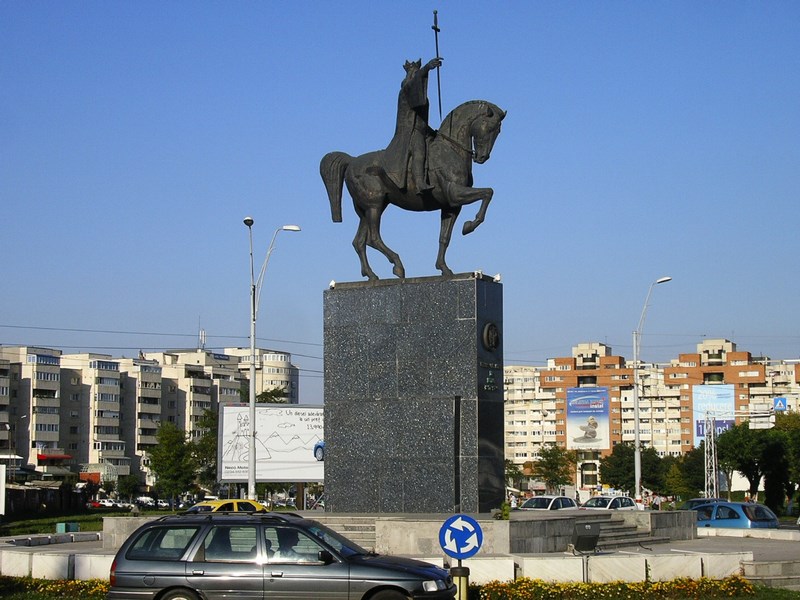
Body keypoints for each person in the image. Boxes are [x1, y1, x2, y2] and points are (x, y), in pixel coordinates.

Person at [383, 57, 442, 195]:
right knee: (419, 149)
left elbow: (421, 121)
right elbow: (412, 84)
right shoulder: (406, 90)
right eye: (414, 74)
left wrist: (433, 133)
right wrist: (427, 68)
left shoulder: (422, 98)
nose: (416, 77)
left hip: (421, 131)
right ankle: (420, 183)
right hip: (409, 132)